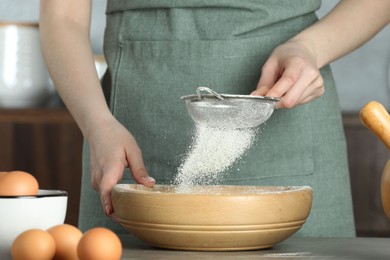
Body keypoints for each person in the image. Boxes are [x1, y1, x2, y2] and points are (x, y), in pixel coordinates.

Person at [39, 0, 390, 237]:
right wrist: (98, 125)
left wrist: (311, 48)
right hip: (126, 134)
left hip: (291, 118)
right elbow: (62, 16)